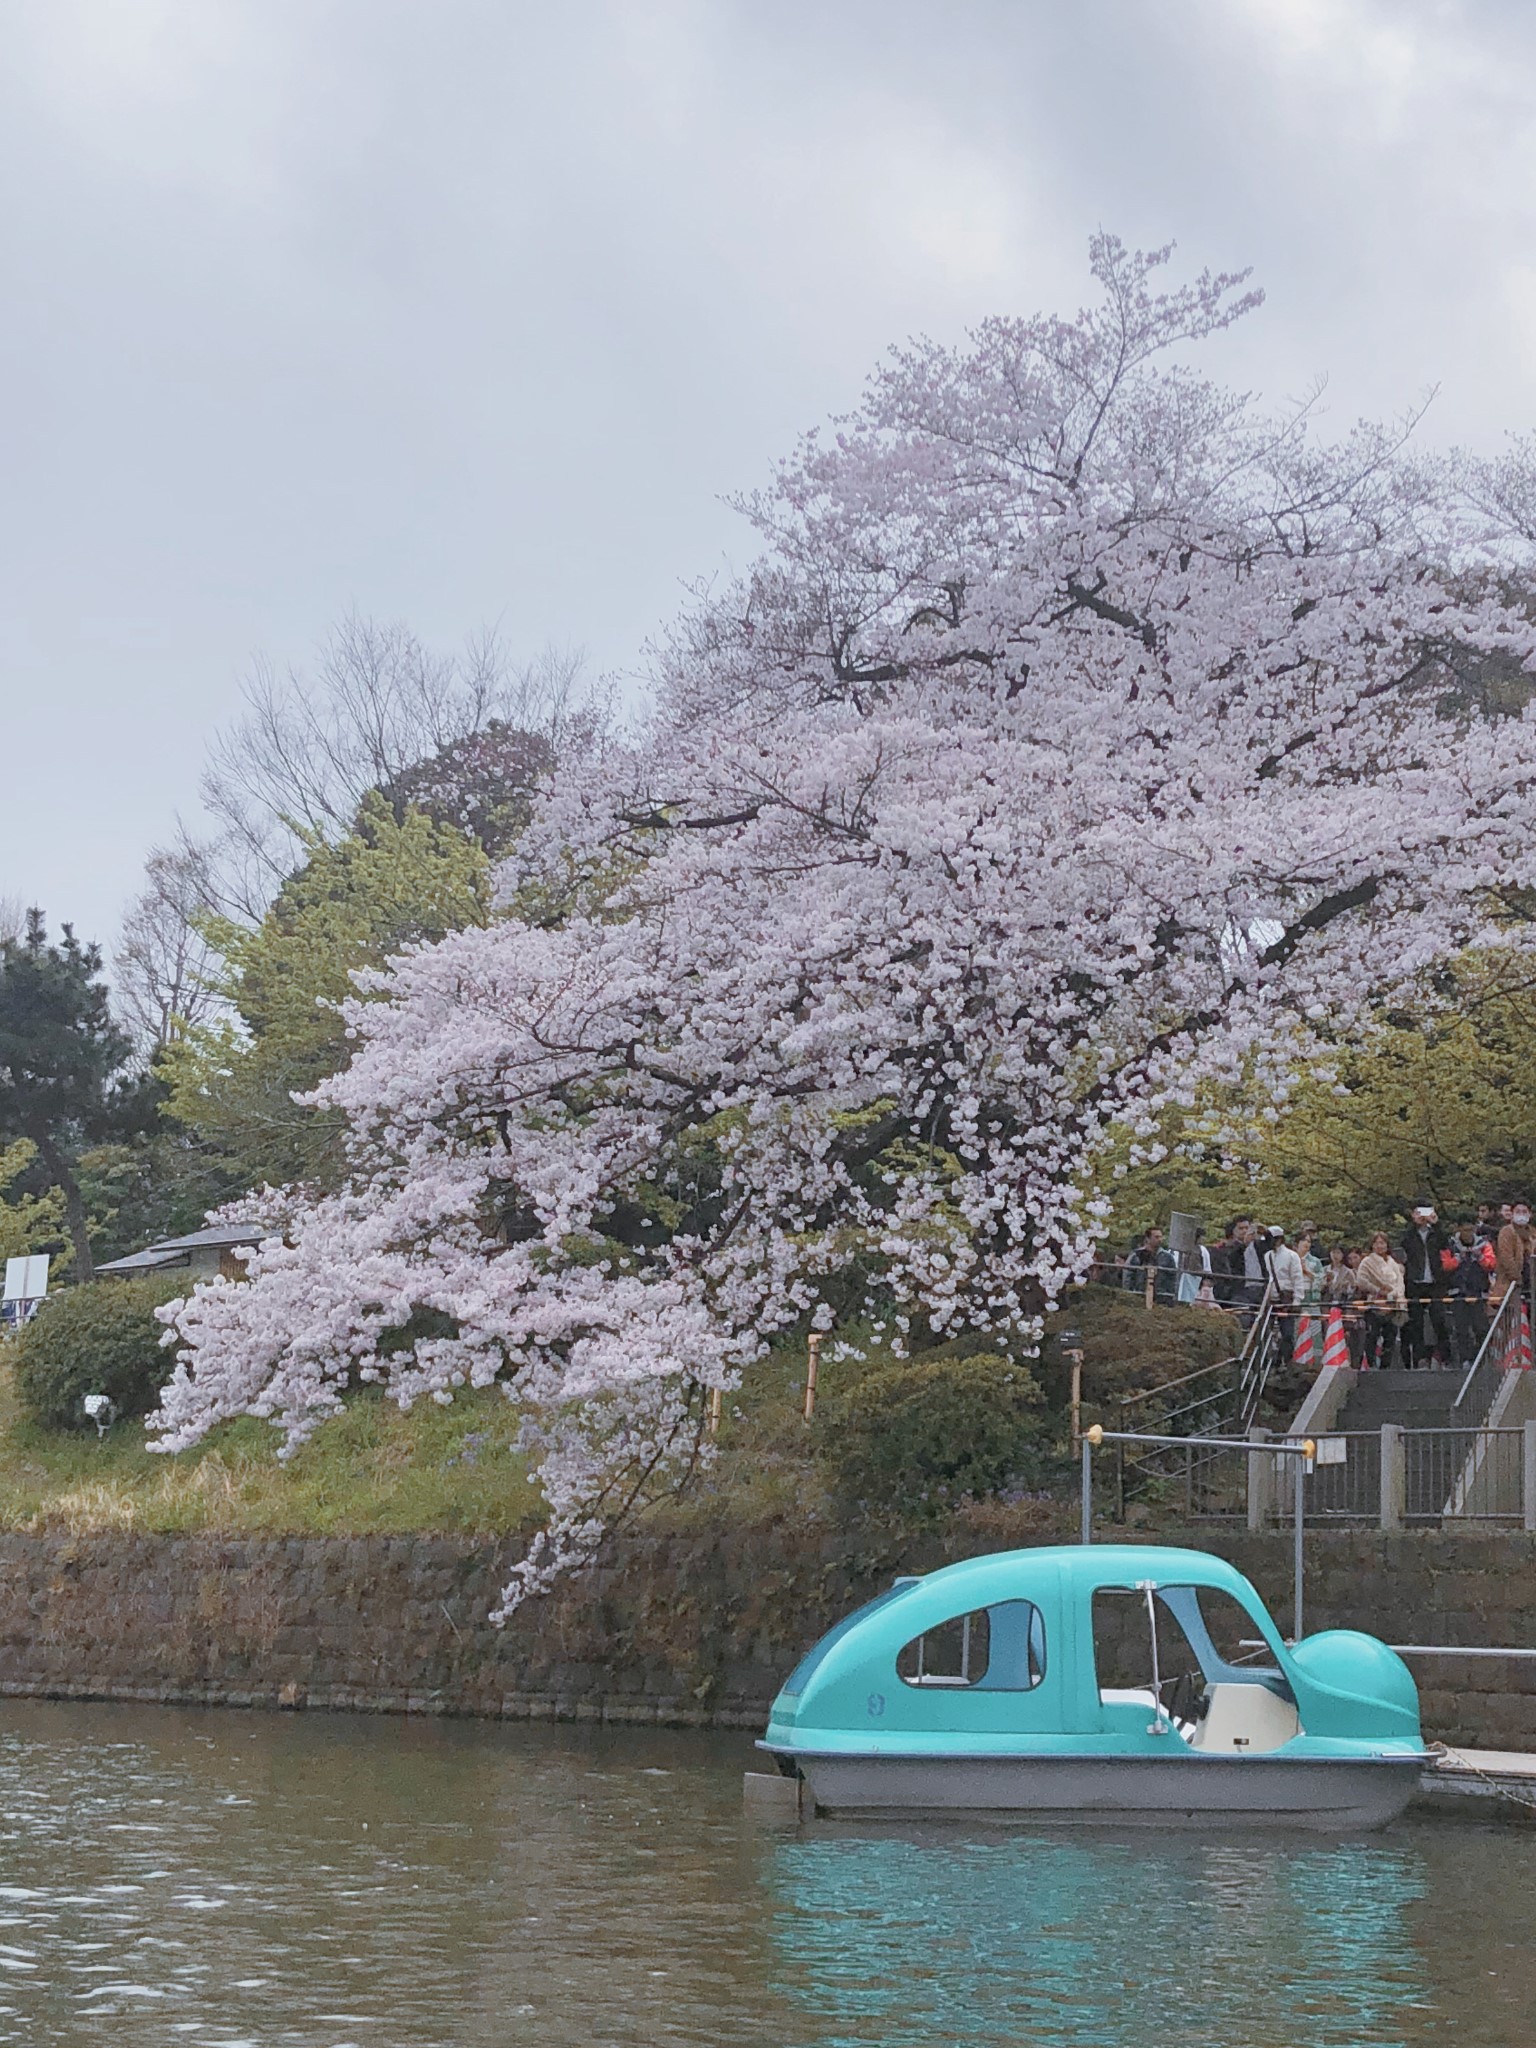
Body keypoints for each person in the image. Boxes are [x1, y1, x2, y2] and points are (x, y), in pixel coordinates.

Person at [1399, 1204, 1453, 1369]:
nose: (1423, 1216)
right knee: (1416, 1323)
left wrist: (1436, 1223)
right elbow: (1403, 1245)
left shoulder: (1436, 1233)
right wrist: (1413, 1223)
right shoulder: (1409, 1235)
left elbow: (1446, 1245)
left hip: (1436, 1282)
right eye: (1419, 1212)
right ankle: (1420, 1359)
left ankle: (1444, 1358)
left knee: (1439, 1319)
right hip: (1415, 1283)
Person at [1444, 1222, 1494, 1368]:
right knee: (1461, 1329)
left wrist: (1479, 1257)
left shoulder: (1484, 1245)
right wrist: (1458, 1259)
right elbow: (1445, 1265)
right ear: (1459, 1230)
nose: (1468, 1233)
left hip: (1479, 1292)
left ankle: (1481, 1357)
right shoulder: (1450, 1245)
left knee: (1481, 1328)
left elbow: (1491, 1264)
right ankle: (1465, 1359)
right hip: (1458, 1292)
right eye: (1464, 1230)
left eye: (1470, 1230)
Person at [1355, 1232, 1408, 1369]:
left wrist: (1395, 1294)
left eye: (1382, 1243)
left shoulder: (1393, 1262)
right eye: (1377, 1243)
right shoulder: (1367, 1262)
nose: (1380, 1246)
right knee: (1372, 1335)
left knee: (1390, 1337)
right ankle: (1371, 1364)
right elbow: (1361, 1280)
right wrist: (1377, 1290)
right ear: (1372, 1245)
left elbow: (1400, 1281)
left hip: (1392, 1303)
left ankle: (1386, 1365)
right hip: (1374, 1303)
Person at [1320, 1244, 1362, 1364]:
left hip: (1342, 1305)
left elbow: (1353, 1291)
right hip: (1327, 1304)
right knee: (1326, 1331)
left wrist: (1345, 1286)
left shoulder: (1348, 1272)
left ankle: (1343, 1357)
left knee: (1343, 1333)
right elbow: (1318, 1288)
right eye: (1333, 1253)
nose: (1335, 1256)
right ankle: (1328, 1356)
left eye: (1338, 1253)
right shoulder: (1325, 1270)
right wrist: (1326, 1283)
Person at [1122, 1225, 1177, 1305]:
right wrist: (1129, 1294)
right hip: (1139, 1295)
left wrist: (1169, 1295)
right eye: (1156, 1237)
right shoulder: (1136, 1255)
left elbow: (1172, 1278)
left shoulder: (1167, 1257)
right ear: (1148, 1239)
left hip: (1161, 1298)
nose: (1159, 1240)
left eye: (1161, 1237)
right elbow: (1128, 1276)